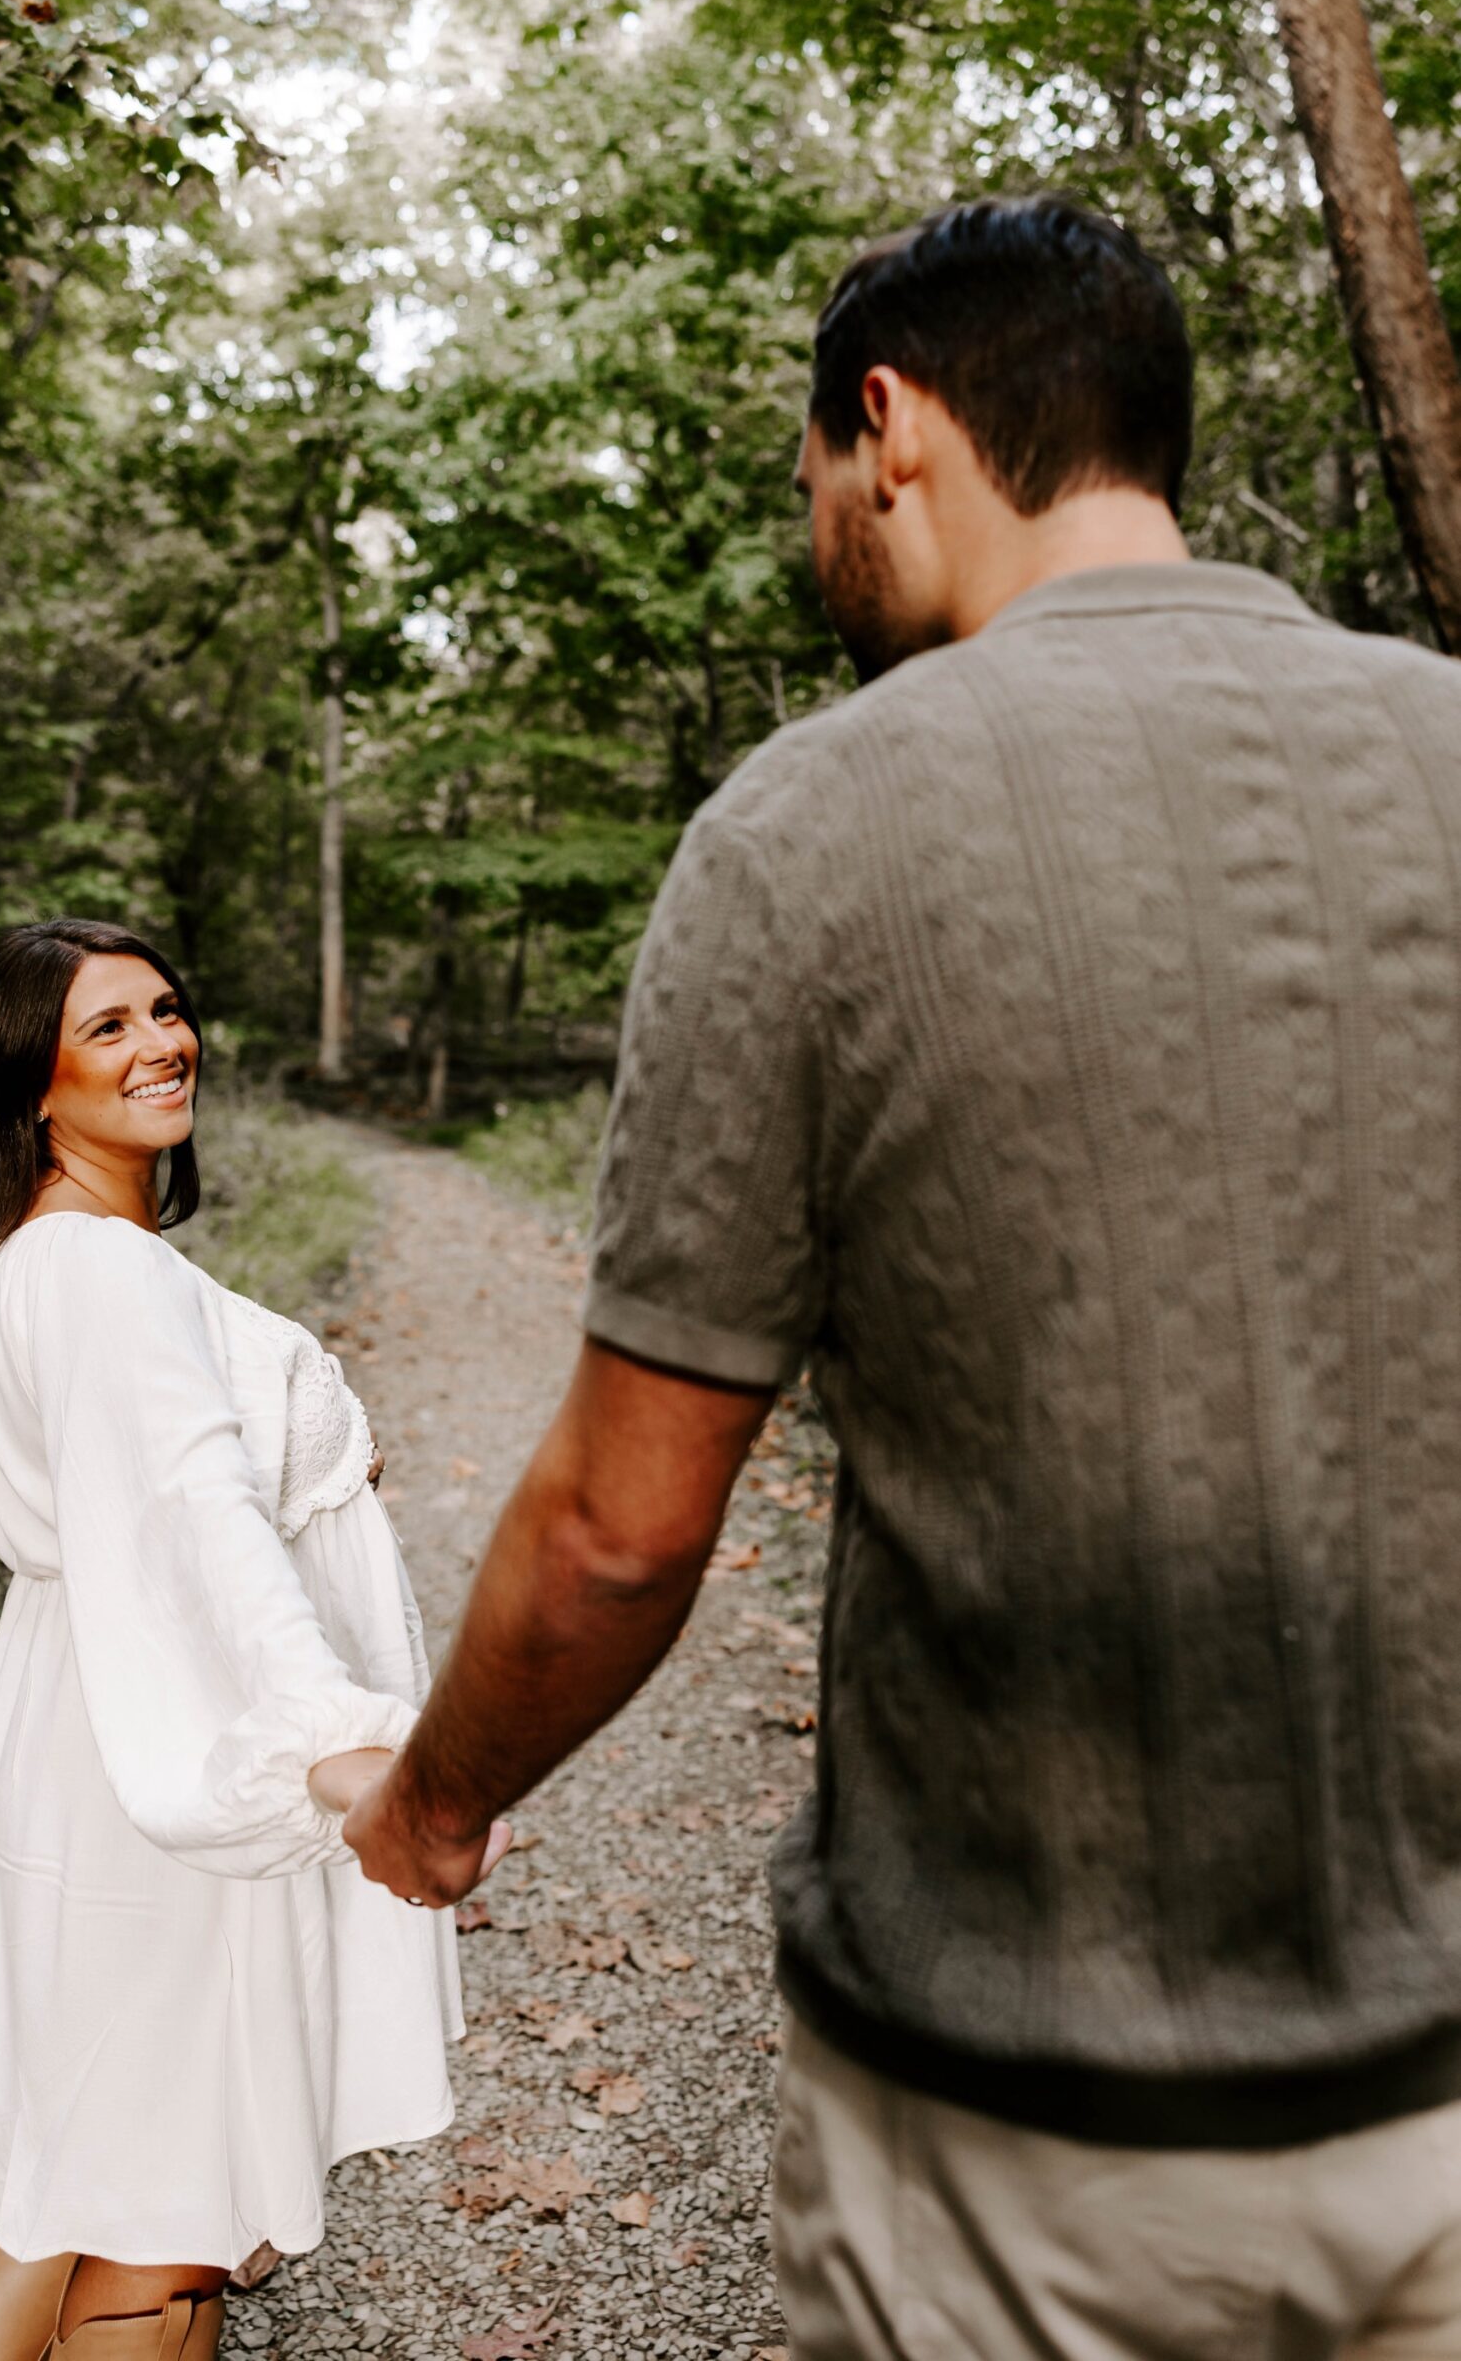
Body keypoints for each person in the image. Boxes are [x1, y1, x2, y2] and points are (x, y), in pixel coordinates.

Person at [345, 196, 1461, 2357]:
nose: (816, 539)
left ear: (889, 426)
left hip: (1019, 2136)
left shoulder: (809, 829)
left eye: (808, 492)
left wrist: (435, 1799)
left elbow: (619, 1520)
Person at [0, 919, 489, 2361]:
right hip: (165, 1788)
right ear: (28, 1082)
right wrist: (337, 1747)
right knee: (135, 2223)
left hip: (107, 1744)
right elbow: (196, 1515)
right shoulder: (97, 1275)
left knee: (75, 2207)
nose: (162, 1043)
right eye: (106, 1027)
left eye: (165, 1010)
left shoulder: (57, 1258)